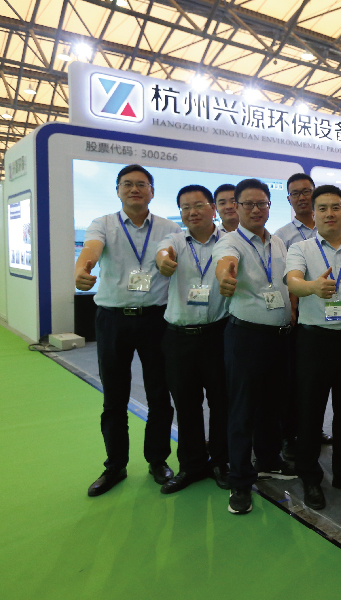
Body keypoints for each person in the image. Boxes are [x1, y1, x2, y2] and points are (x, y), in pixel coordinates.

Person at [76, 164, 181, 497]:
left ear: (152, 191)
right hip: (113, 320)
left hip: (155, 319)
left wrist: (165, 261)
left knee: (159, 395)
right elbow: (91, 250)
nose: (134, 189)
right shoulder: (103, 223)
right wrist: (83, 269)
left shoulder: (168, 227)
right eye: (127, 184)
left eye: (141, 184)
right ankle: (115, 466)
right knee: (114, 397)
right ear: (118, 190)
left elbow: (167, 253)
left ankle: (157, 460)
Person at [214, 178, 296, 515]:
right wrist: (225, 276)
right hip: (246, 338)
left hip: (278, 338)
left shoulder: (277, 242)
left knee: (271, 406)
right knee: (243, 410)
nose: (256, 209)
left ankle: (268, 460)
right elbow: (226, 263)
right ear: (236, 206)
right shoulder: (230, 242)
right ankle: (240, 481)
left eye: (262, 203)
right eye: (248, 204)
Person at [285, 185, 341, 511]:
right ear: (314, 213)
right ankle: (310, 477)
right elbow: (293, 281)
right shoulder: (301, 248)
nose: (330, 213)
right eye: (323, 208)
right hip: (313, 341)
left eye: (336, 207)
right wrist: (313, 287)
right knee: (309, 412)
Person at [155, 185, 229, 493]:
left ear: (212, 208)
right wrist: (163, 261)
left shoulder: (228, 241)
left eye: (198, 205)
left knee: (222, 403)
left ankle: (221, 462)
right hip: (179, 338)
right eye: (185, 207)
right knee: (186, 405)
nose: (191, 212)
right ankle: (191, 465)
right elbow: (162, 254)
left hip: (218, 335)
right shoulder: (174, 240)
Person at [273, 173, 332, 453]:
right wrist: (292, 308)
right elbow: (284, 278)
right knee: (295, 380)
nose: (301, 197)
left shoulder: (331, 227)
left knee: (318, 382)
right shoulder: (282, 236)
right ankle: (290, 435)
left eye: (306, 191)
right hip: (298, 318)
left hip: (330, 316)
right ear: (288, 199)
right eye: (295, 193)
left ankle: (313, 429)